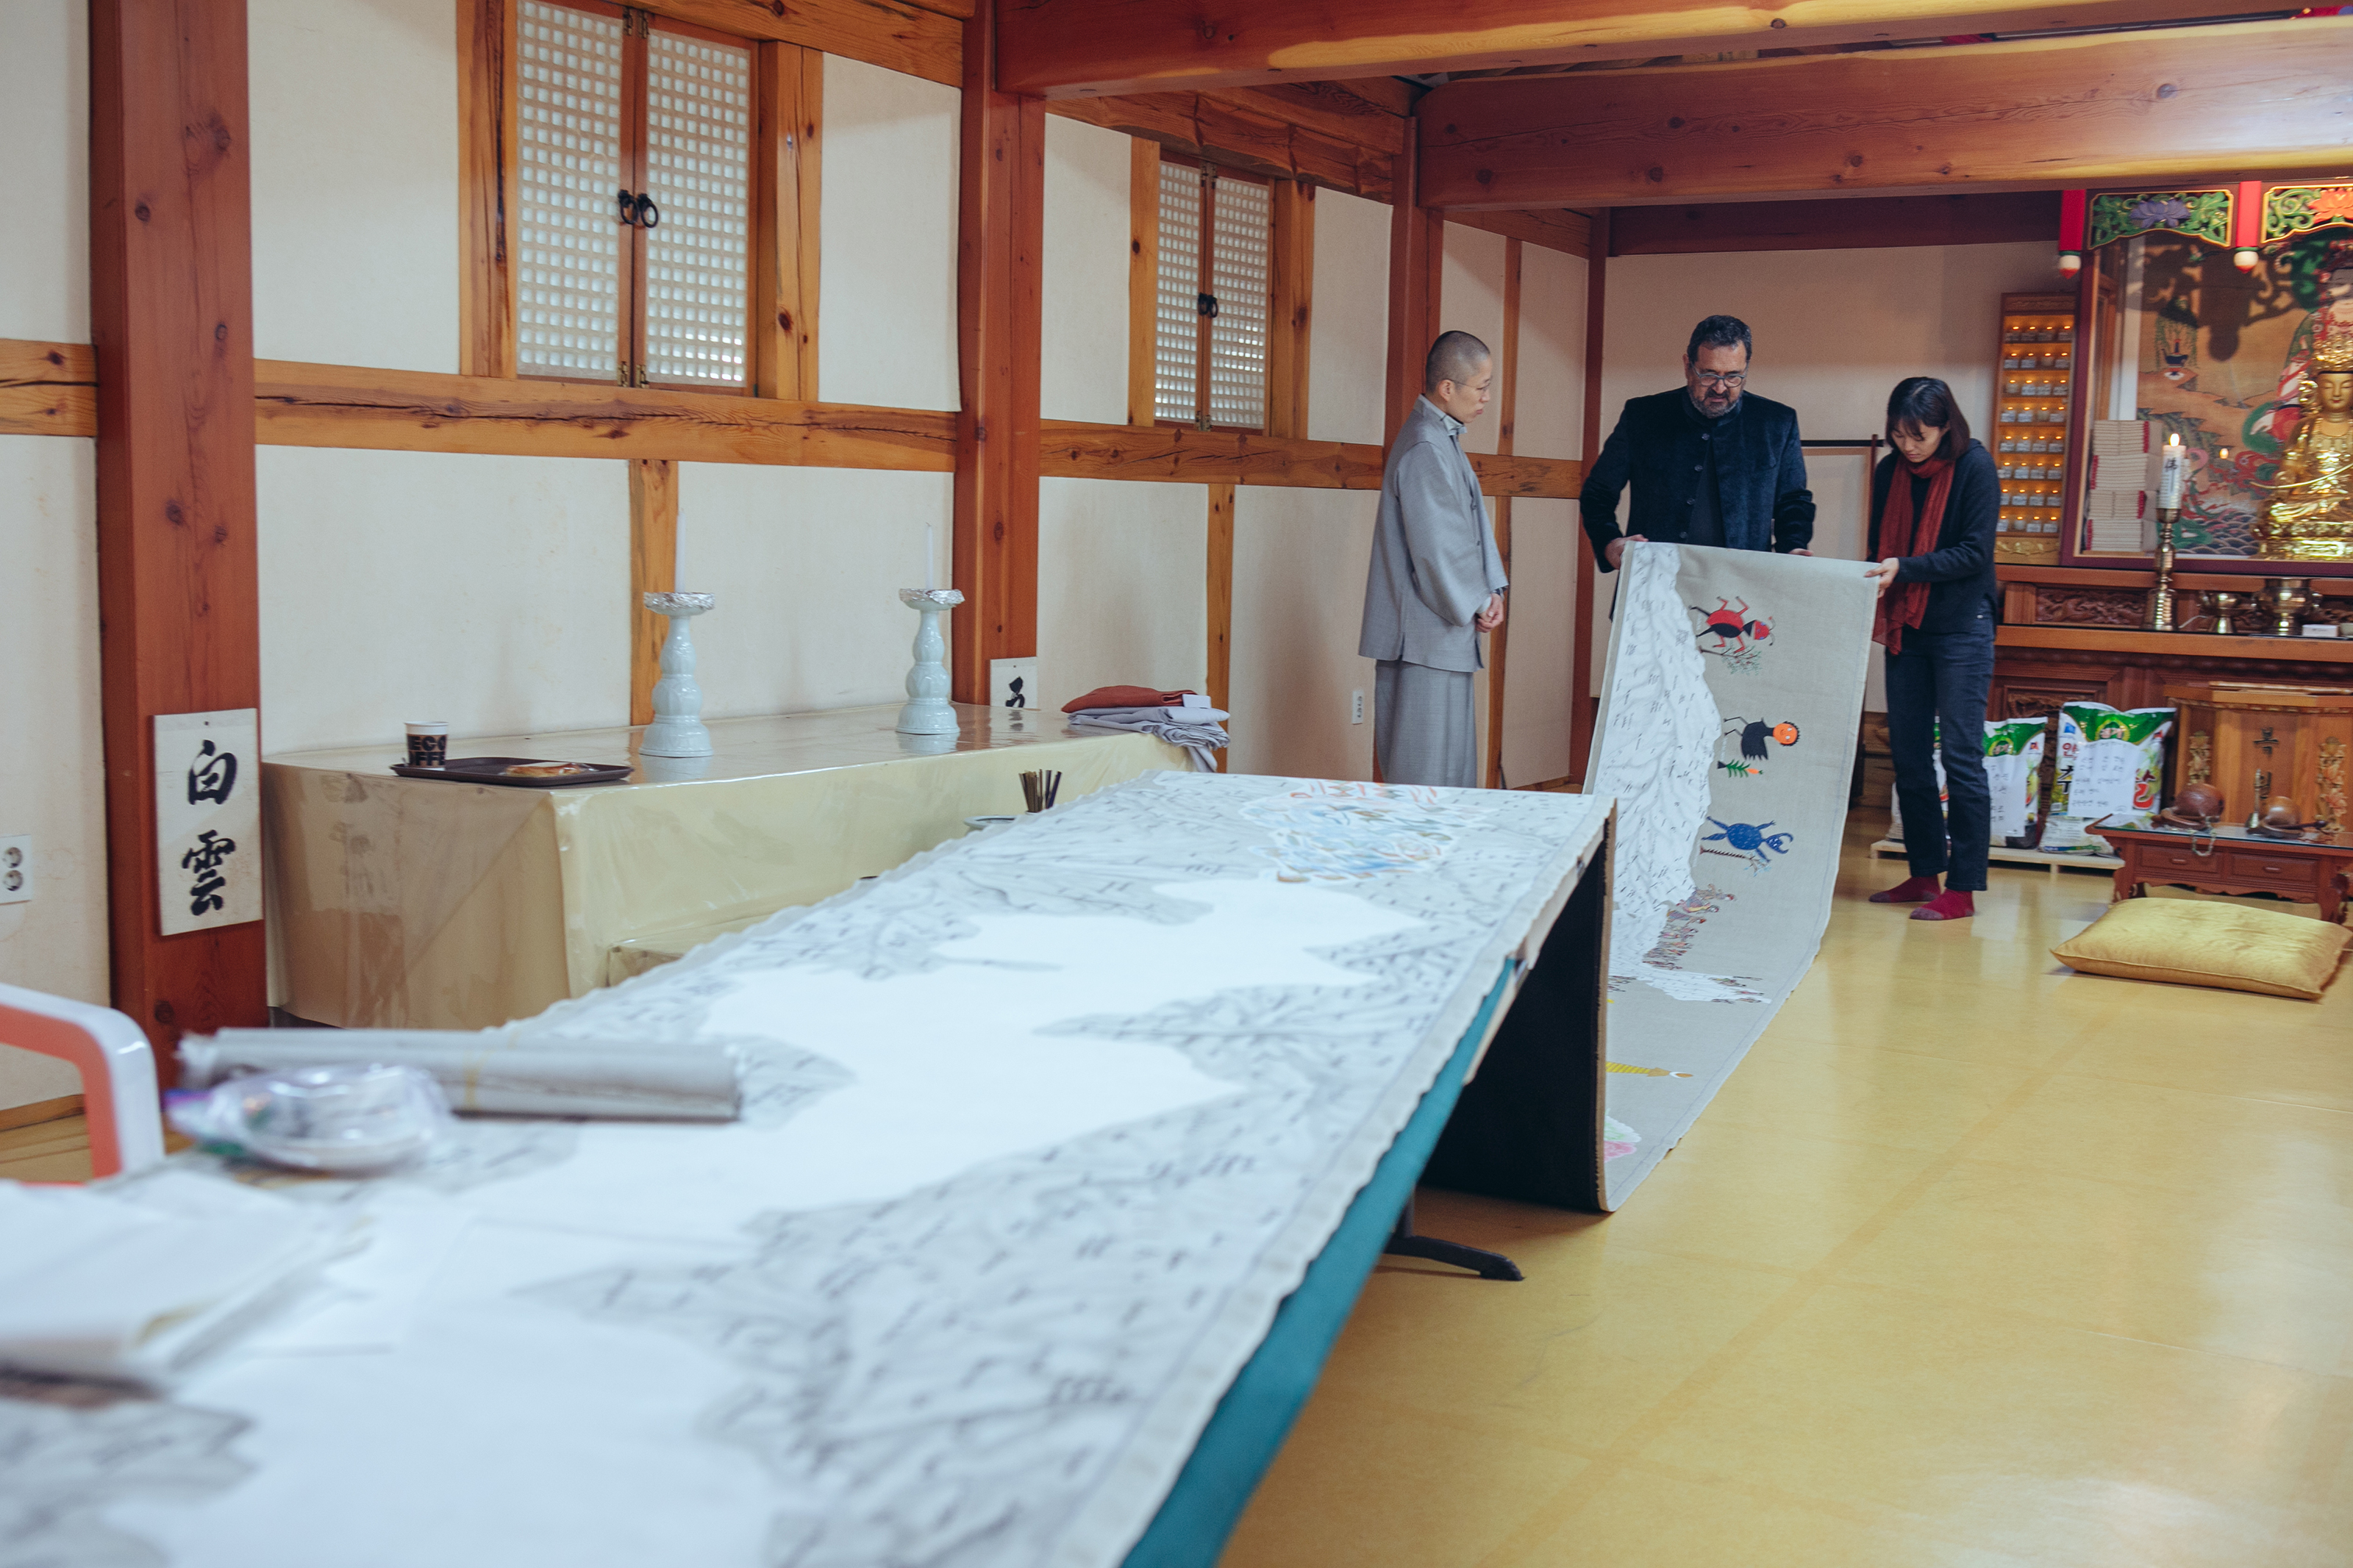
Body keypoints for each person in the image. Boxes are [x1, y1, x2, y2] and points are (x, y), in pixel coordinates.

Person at [1863, 376, 1999, 922]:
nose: (1908, 446)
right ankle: (1923, 873)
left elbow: (1974, 552)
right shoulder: (1888, 471)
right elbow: (1879, 547)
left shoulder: (1975, 467)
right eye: (1898, 435)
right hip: (1908, 625)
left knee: (1962, 758)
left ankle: (1962, 888)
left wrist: (1904, 568)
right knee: (1909, 754)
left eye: (1918, 436)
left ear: (1946, 426)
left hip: (1963, 625)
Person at [1358, 330, 1509, 788]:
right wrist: (1479, 599)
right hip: (1422, 637)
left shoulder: (1439, 437)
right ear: (1447, 388)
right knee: (1423, 776)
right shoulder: (1426, 444)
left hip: (1440, 631)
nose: (1486, 398)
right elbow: (1437, 544)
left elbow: (1464, 527)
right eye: (1481, 387)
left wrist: (1491, 590)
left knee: (1449, 772)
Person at [1581, 314, 1815, 570]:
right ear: (1687, 365)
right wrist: (1609, 542)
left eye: (1733, 376)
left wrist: (1793, 546)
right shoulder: (1643, 416)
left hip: (1743, 579)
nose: (1720, 388)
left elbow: (1793, 501)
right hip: (1654, 576)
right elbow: (1598, 492)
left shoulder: (1777, 423)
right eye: (1709, 375)